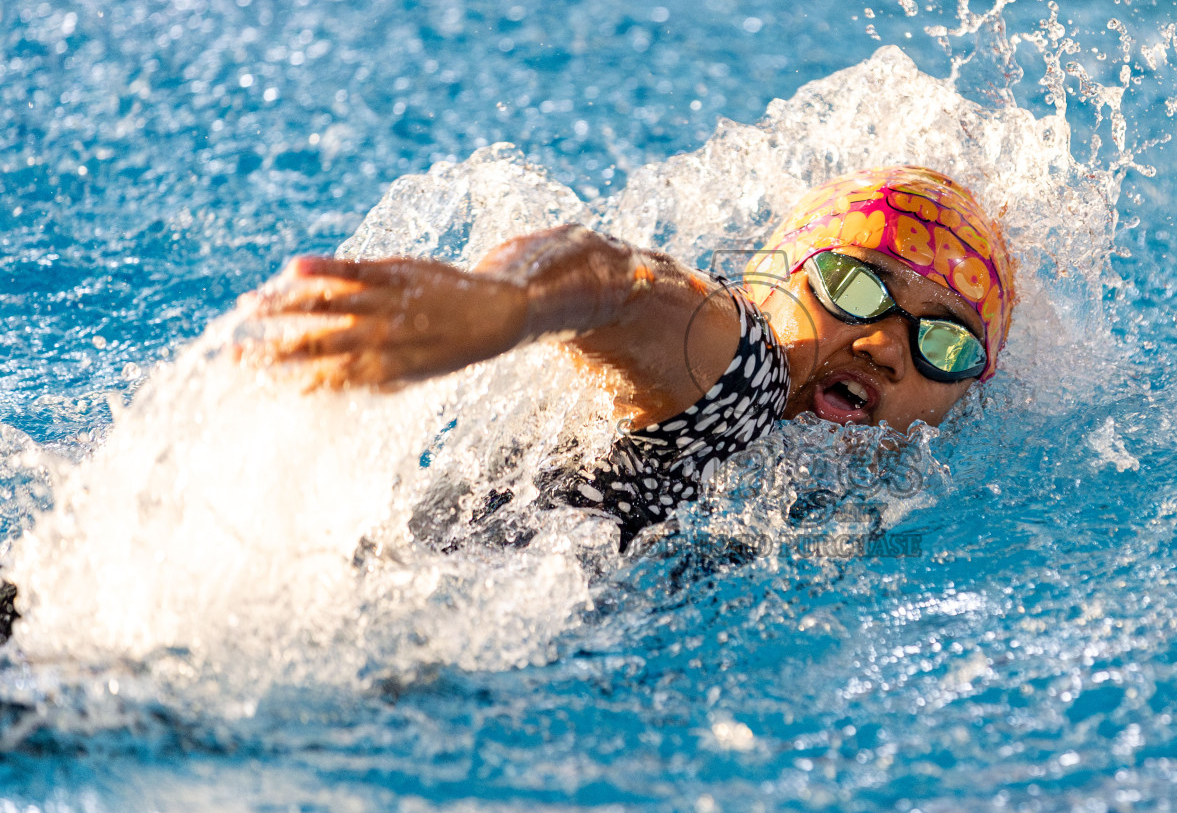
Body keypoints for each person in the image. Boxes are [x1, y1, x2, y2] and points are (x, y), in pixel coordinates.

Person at [240, 165, 1018, 548]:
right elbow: (618, 282)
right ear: (764, 282)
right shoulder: (742, 372)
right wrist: (502, 303)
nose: (885, 344)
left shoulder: (857, 492)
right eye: (852, 285)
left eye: (944, 340)